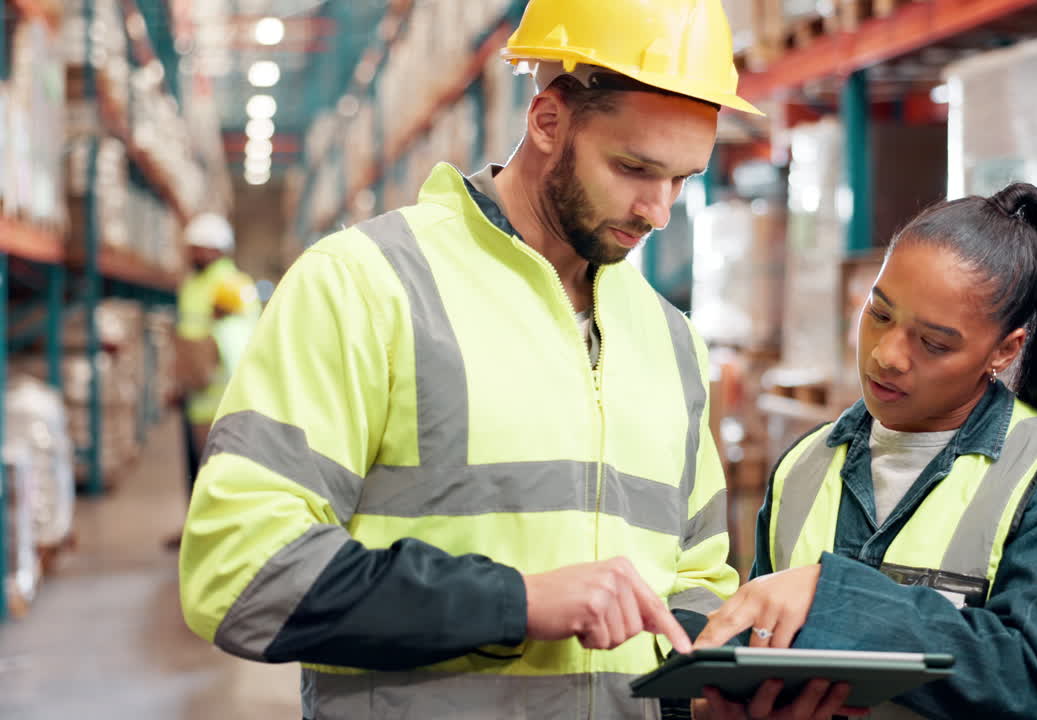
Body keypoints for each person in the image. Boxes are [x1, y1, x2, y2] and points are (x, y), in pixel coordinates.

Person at [178, 1, 762, 718]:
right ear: (547, 120)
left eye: (682, 179)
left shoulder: (670, 341)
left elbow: (697, 578)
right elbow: (239, 573)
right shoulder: (366, 286)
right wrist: (515, 603)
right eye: (634, 167)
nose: (658, 211)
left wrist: (711, 682)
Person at [694, 183, 1037, 720]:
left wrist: (833, 596)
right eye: (878, 314)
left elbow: (1027, 671)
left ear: (1004, 350)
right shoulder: (804, 465)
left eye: (934, 343)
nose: (888, 355)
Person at [165, 213, 259, 551]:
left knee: (221, 467)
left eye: (200, 249)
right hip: (195, 389)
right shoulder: (193, 284)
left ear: (218, 250)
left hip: (222, 391)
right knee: (194, 466)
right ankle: (196, 527)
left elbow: (241, 339)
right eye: (192, 248)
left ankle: (222, 532)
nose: (194, 254)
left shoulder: (232, 285)